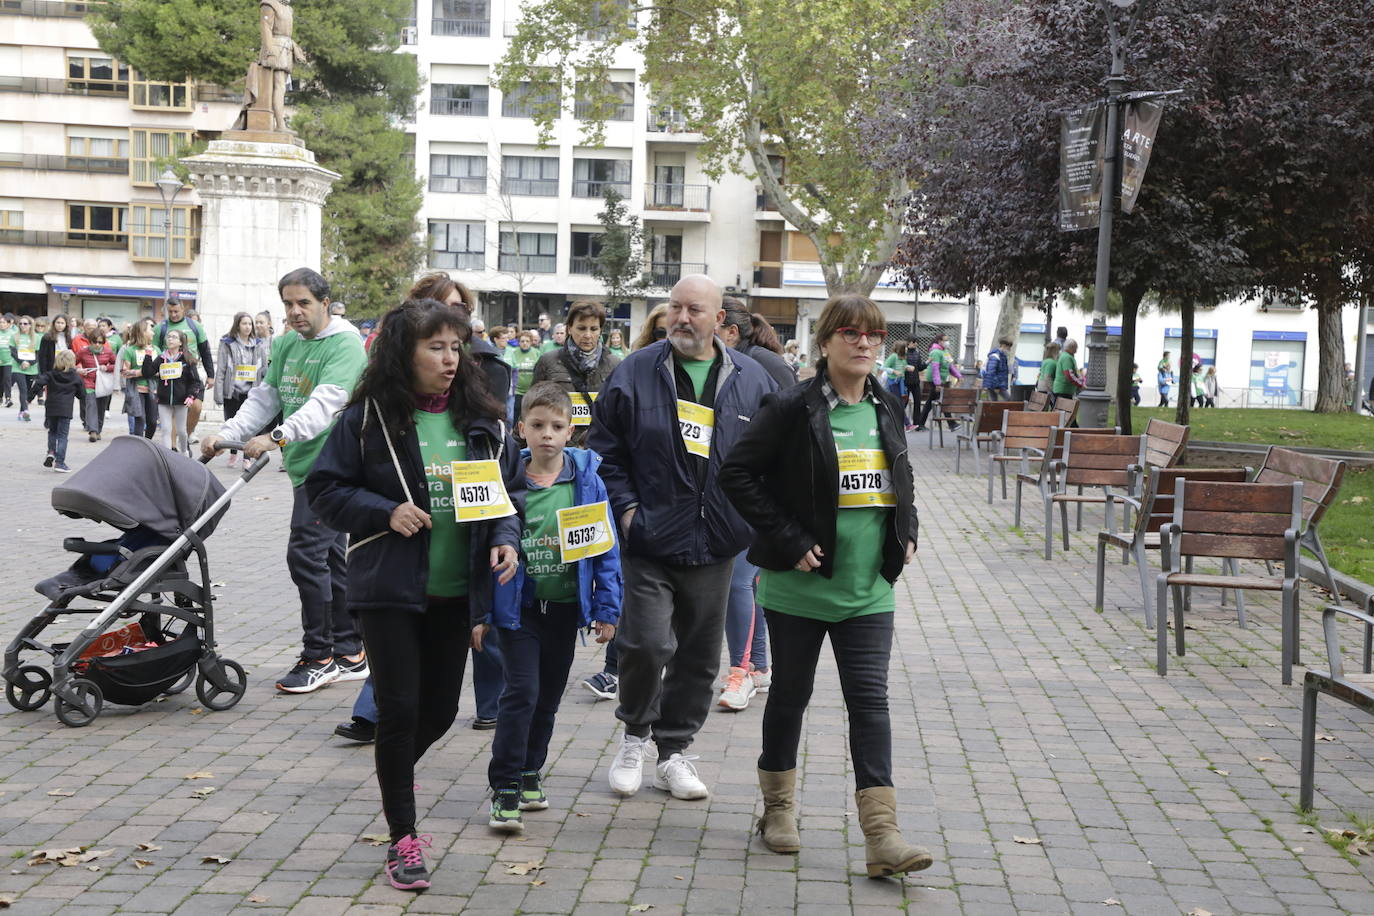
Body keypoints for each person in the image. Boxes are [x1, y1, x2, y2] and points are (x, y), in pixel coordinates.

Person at [306, 298, 522, 892]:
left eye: (457, 347)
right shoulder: (369, 418)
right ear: (405, 352)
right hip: (390, 589)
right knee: (399, 711)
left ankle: (392, 773)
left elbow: (506, 496)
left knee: (442, 711)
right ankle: (404, 838)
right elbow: (324, 489)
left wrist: (505, 539)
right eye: (436, 347)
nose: (451, 359)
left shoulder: (483, 419)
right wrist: (385, 509)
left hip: (457, 594)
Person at [717, 293, 931, 878]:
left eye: (874, 335)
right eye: (851, 333)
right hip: (798, 591)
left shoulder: (887, 405)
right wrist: (786, 538)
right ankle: (778, 811)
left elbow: (900, 472)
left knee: (870, 704)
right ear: (826, 341)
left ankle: (882, 835)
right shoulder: (791, 406)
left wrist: (907, 529)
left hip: (869, 590)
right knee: (791, 697)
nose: (864, 344)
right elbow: (737, 473)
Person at [588, 274, 776, 800]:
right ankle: (634, 736)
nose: (681, 318)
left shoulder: (752, 379)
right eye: (675, 307)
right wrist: (626, 512)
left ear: (721, 321)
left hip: (717, 543)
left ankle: (674, 753)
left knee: (697, 655)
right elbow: (605, 451)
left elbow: (768, 458)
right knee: (646, 643)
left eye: (694, 309)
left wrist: (749, 520)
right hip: (649, 538)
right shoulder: (636, 371)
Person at [202, 267, 369, 694]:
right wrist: (229, 436)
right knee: (331, 560)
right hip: (304, 468)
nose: (294, 312)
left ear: (325, 303)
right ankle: (350, 652)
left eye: (303, 303)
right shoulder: (287, 343)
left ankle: (319, 656)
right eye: (288, 304)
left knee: (305, 557)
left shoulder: (346, 346)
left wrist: (276, 437)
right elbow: (266, 396)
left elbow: (325, 404)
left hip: (334, 470)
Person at [479, 381, 622, 833]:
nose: (547, 434)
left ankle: (529, 771)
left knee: (548, 699)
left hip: (565, 611)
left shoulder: (586, 480)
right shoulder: (507, 480)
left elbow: (606, 549)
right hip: (518, 610)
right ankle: (503, 787)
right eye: (537, 425)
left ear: (571, 431)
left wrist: (608, 607)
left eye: (557, 426)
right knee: (520, 694)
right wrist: (481, 614)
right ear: (521, 429)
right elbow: (480, 550)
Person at [405, 272, 509, 728]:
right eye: (438, 311)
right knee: (400, 687)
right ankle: (378, 713)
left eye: (460, 313)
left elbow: (504, 477)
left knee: (483, 621)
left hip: (468, 543)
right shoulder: (383, 400)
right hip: (402, 571)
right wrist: (383, 511)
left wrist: (503, 532)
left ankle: (490, 706)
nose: (451, 328)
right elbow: (336, 486)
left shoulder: (490, 372)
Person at [532, 300, 622, 447]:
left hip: (600, 449)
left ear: (600, 330)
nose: (587, 335)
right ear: (569, 328)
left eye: (593, 329)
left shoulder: (615, 364)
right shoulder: (548, 361)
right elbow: (532, 409)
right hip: (558, 448)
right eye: (581, 328)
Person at [214, 312, 270, 469]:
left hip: (251, 391)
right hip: (232, 391)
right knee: (231, 422)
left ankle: (247, 457)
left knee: (249, 425)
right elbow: (222, 369)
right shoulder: (227, 343)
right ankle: (233, 453)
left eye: (249, 324)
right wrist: (219, 393)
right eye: (244, 323)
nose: (247, 327)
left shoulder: (258, 344)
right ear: (237, 325)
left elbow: (264, 369)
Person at [156, 297, 215, 442]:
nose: (174, 314)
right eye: (170, 311)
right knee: (175, 413)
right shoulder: (161, 328)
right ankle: (174, 447)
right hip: (170, 377)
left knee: (196, 407)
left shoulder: (195, 326)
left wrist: (210, 375)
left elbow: (205, 350)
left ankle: (186, 435)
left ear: (183, 309)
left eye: (176, 311)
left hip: (191, 374)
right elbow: (154, 351)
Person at [145, 329, 202, 456]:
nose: (170, 339)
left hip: (181, 401)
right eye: (169, 337)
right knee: (166, 429)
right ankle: (167, 457)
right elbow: (147, 373)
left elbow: (195, 381)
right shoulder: (161, 358)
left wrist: (191, 396)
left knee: (181, 431)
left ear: (181, 342)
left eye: (174, 337)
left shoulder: (187, 359)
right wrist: (148, 356)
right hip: (164, 401)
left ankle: (184, 453)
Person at [34, 350, 81, 472]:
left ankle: (51, 451)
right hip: (65, 409)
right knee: (63, 436)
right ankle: (60, 462)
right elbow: (82, 395)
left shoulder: (51, 375)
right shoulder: (75, 377)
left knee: (52, 431)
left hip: (51, 408)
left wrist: (29, 397)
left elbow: (38, 382)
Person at [75, 326, 118, 441]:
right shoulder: (83, 352)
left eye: (100, 342)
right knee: (91, 406)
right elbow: (72, 363)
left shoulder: (108, 352)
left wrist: (107, 367)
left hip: (103, 384)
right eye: (95, 342)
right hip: (88, 383)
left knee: (101, 407)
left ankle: (98, 430)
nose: (97, 344)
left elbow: (117, 365)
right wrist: (79, 370)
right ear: (90, 341)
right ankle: (92, 431)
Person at [120, 319, 159, 439]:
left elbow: (162, 369)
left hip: (153, 391)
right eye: (150, 330)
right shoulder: (130, 350)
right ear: (142, 332)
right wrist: (141, 372)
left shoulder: (156, 350)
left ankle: (147, 443)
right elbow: (124, 372)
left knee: (152, 421)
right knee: (140, 419)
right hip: (136, 391)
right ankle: (139, 445)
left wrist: (153, 372)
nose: (153, 333)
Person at [913, 333, 961, 431]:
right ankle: (952, 423)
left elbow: (950, 366)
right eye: (945, 340)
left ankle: (920, 424)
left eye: (948, 340)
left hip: (940, 380)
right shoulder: (935, 352)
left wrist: (959, 376)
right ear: (939, 341)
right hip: (935, 380)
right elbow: (935, 369)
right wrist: (937, 383)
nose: (948, 342)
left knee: (931, 402)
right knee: (942, 400)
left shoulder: (945, 351)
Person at [12, 315, 41, 422]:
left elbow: (38, 354)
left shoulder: (37, 337)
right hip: (17, 367)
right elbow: (12, 351)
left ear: (30, 325)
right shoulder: (14, 336)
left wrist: (29, 363)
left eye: (25, 323)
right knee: (23, 389)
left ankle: (21, 412)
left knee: (28, 391)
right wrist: (22, 362)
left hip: (31, 368)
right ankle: (26, 412)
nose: (22, 325)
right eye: (20, 323)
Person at [511, 330, 542, 405]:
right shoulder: (514, 353)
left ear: (531, 342)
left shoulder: (537, 353)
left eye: (527, 341)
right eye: (522, 341)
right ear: (519, 342)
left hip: (532, 391)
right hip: (517, 391)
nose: (525, 343)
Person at [1053, 339, 1083, 404]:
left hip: (1063, 390)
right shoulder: (1067, 357)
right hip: (1063, 390)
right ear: (1071, 347)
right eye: (1076, 347)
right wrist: (1080, 384)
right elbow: (1069, 375)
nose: (1076, 350)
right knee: (1063, 412)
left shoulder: (1066, 356)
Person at [0, 313, 15, 409]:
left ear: (9, 324)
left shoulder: (13, 334)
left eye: (4, 322)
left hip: (9, 361)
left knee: (7, 379)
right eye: (0, 322)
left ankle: (8, 398)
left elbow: (15, 348)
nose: (1, 324)